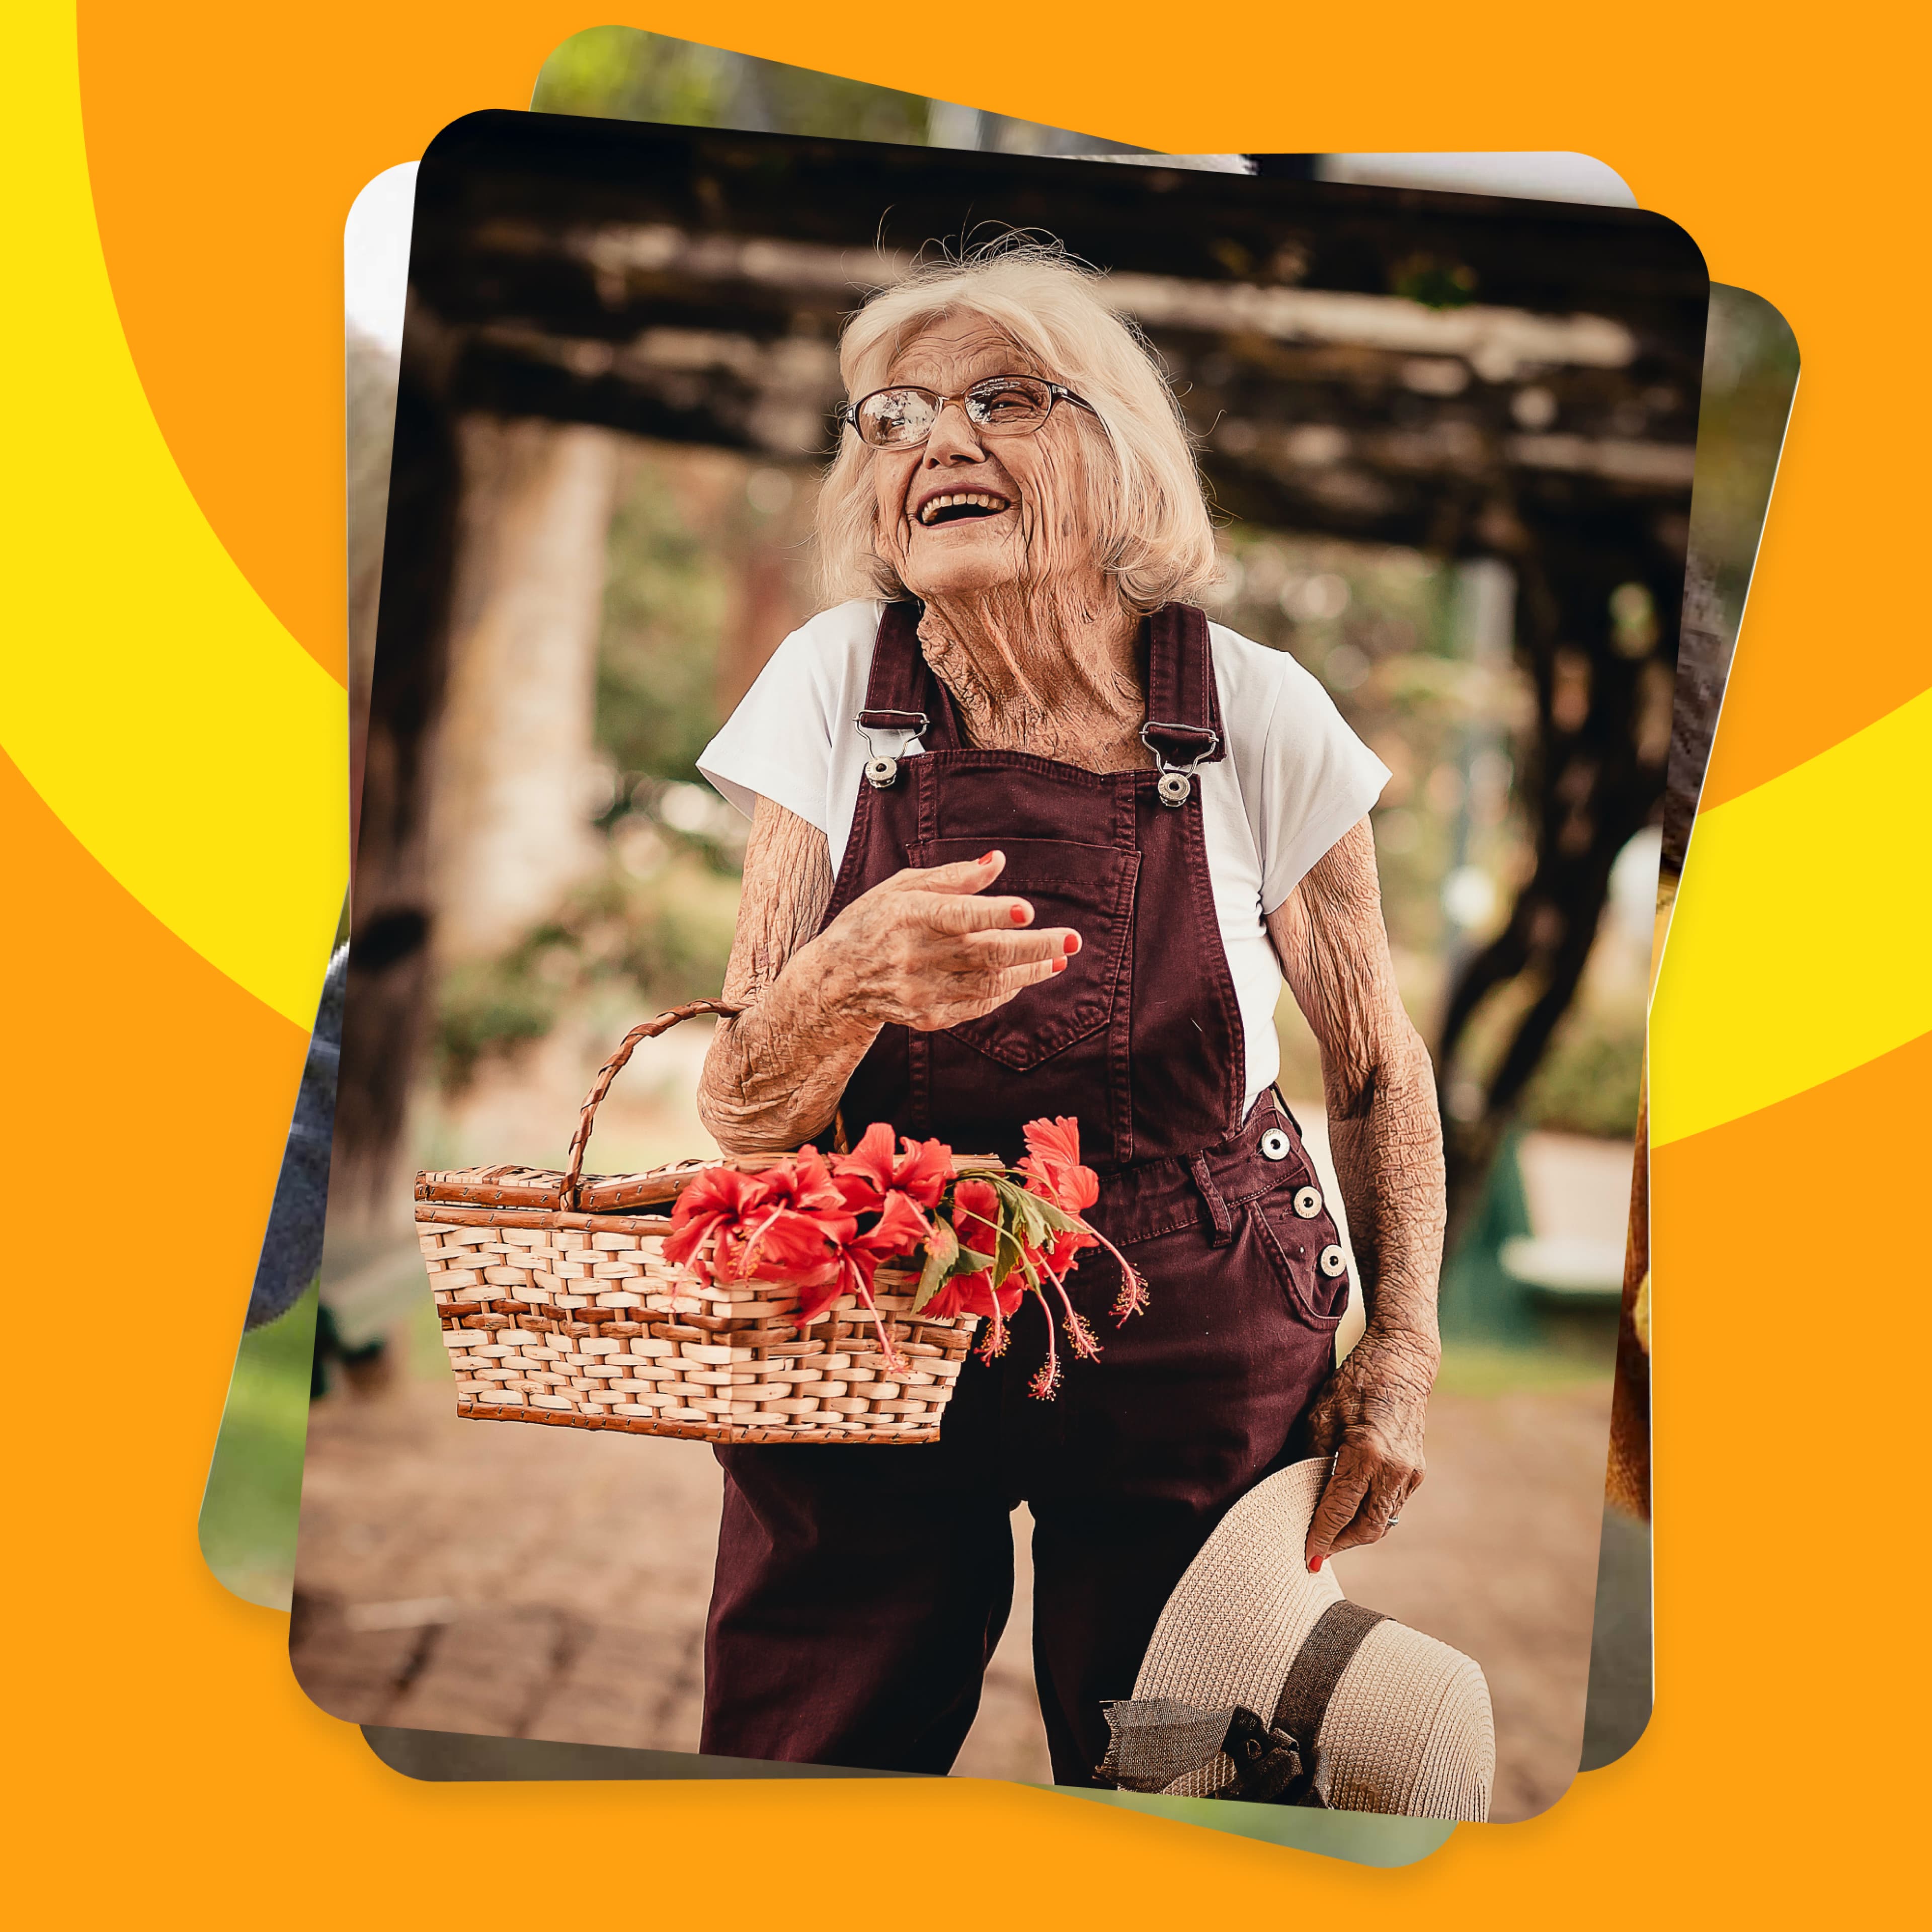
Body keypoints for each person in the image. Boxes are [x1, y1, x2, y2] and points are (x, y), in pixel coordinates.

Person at [690, 239, 1445, 1784]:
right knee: (806, 1756)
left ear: (1122, 454)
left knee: (1185, 1767)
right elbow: (741, 1104)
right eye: (893, 418)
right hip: (878, 1292)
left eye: (1002, 399)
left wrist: (1407, 1343)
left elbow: (1374, 1067)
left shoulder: (1258, 709)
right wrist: (840, 982)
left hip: (1197, 1306)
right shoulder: (837, 680)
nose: (937, 444)